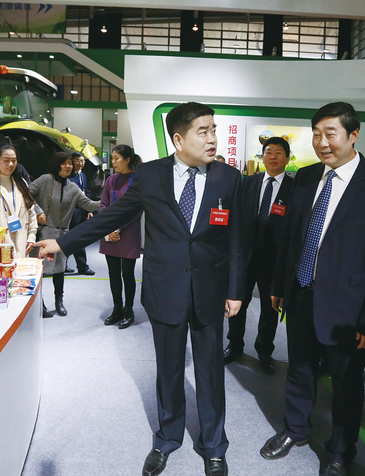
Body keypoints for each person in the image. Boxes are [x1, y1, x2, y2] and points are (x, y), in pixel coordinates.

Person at [35, 102, 243, 476]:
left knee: (211, 372)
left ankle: (214, 445)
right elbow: (115, 214)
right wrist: (64, 242)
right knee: (169, 369)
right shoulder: (150, 175)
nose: (213, 138)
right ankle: (167, 438)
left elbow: (237, 239)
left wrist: (236, 289)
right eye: (203, 131)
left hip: (210, 289)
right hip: (166, 288)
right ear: (178, 139)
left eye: (214, 129)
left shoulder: (228, 177)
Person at [260, 102, 365, 476]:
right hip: (301, 293)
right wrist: (280, 286)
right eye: (316, 134)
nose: (322, 143)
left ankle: (341, 450)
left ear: (353, 135)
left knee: (346, 382)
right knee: (299, 368)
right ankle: (295, 429)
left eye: (331, 134)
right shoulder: (306, 178)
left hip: (348, 307)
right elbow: (290, 239)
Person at [224, 136, 292, 374]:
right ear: (262, 157)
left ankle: (264, 350)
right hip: (245, 256)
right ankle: (234, 344)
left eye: (279, 152)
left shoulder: (294, 188)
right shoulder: (248, 182)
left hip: (273, 260)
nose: (273, 156)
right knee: (237, 302)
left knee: (270, 308)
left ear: (288, 158)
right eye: (268, 152)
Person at [29, 152, 100, 317]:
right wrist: (38, 211)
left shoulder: (73, 187)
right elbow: (26, 192)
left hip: (63, 235)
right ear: (56, 164)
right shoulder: (45, 180)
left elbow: (89, 204)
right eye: (64, 163)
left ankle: (59, 302)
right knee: (40, 271)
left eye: (70, 163)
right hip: (43, 232)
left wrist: (110, 201)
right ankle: (40, 304)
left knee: (59, 270)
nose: (68, 166)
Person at [0, 145, 42, 313]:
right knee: (3, 282)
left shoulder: (21, 182)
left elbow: (31, 212)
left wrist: (32, 236)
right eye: (6, 160)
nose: (10, 164)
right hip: (1, 244)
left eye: (14, 160)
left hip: (22, 241)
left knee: (20, 285)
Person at [99, 144, 143, 329]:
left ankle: (128, 309)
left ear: (127, 160)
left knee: (128, 274)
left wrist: (118, 228)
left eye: (117, 158)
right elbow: (103, 204)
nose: (113, 162)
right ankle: (117, 308)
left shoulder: (138, 180)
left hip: (128, 233)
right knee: (114, 274)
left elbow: (137, 210)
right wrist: (110, 228)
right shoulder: (111, 180)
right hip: (110, 233)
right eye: (112, 158)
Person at [66, 151, 95, 276]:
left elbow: (86, 193)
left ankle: (64, 265)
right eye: (78, 160)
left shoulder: (82, 175)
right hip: (70, 213)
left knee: (74, 239)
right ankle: (82, 266)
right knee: (76, 239)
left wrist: (89, 210)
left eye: (83, 161)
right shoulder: (68, 176)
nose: (81, 163)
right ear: (72, 161)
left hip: (81, 212)